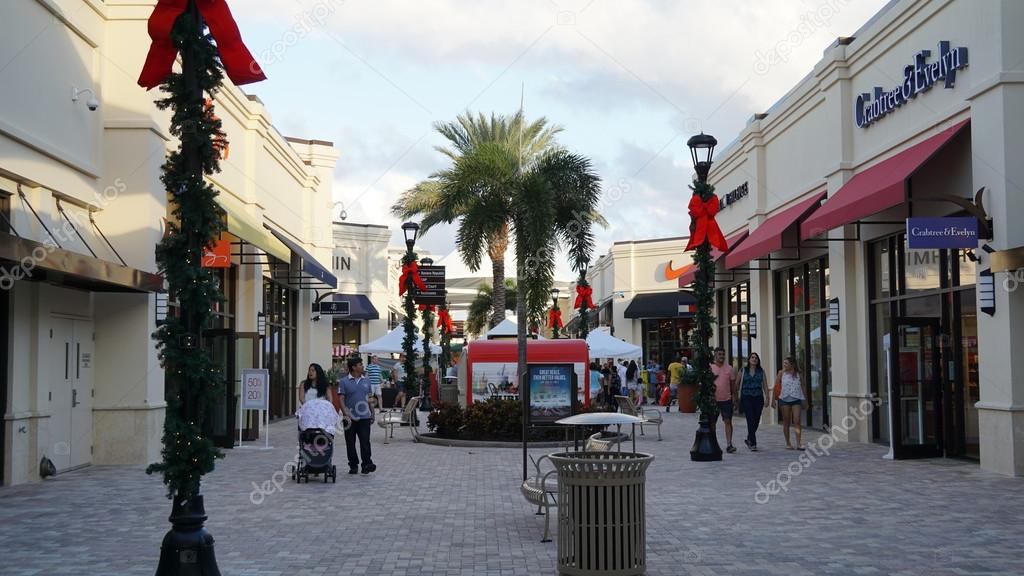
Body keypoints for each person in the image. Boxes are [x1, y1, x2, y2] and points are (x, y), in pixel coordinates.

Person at [339, 356, 376, 474]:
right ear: (354, 367)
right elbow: (341, 399)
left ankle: (367, 464)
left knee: (365, 441)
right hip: (349, 418)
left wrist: (373, 412)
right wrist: (346, 414)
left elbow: (370, 398)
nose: (362, 366)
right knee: (350, 443)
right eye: (360, 364)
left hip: (364, 417)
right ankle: (353, 465)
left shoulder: (367, 381)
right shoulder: (344, 381)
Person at [773, 356, 808, 450]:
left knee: (797, 420)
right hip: (784, 399)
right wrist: (773, 400)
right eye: (784, 363)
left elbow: (803, 386)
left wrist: (805, 400)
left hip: (796, 399)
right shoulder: (781, 373)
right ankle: (788, 443)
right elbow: (776, 386)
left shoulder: (799, 374)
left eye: (786, 363)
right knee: (786, 421)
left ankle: (799, 443)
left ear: (792, 364)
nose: (784, 365)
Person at [739, 352, 769, 451]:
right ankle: (753, 443)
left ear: (758, 360)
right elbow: (737, 383)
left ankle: (749, 438)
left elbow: (765, 385)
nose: (754, 359)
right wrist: (735, 396)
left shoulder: (761, 371)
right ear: (749, 360)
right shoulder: (743, 370)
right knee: (750, 419)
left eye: (756, 358)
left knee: (756, 420)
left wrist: (767, 398)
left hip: (758, 397)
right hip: (746, 397)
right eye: (752, 357)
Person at [711, 347, 738, 454]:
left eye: (723, 354)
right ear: (715, 355)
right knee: (712, 422)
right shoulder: (710, 368)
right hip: (713, 400)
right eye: (719, 354)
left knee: (728, 421)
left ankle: (729, 444)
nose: (721, 356)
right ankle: (713, 443)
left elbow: (733, 385)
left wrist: (735, 398)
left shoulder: (729, 369)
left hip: (726, 400)